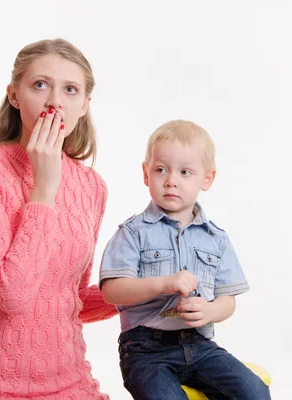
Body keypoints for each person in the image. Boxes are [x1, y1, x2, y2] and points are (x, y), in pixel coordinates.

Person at [0, 38, 117, 400]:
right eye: (41, 85)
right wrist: (45, 187)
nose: (55, 101)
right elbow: (13, 295)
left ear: (84, 105)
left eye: (70, 90)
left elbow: (67, 297)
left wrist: (142, 292)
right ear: (14, 95)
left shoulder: (92, 187)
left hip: (73, 385)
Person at [99, 120, 271, 399]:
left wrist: (210, 312)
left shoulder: (216, 239)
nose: (171, 180)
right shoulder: (132, 233)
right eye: (160, 169)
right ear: (146, 173)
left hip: (200, 346)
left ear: (207, 179)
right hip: (145, 351)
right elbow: (111, 290)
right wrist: (162, 283)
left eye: (185, 172)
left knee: (254, 391)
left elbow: (228, 300)